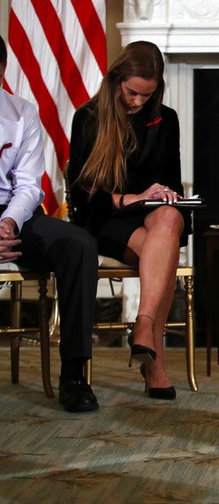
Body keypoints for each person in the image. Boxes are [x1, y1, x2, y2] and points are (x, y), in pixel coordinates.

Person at [69, 41, 191, 400]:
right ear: (117, 79)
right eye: (132, 93)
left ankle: (143, 325)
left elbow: (171, 178)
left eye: (146, 95)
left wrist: (165, 195)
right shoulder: (88, 118)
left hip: (152, 220)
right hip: (106, 218)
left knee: (170, 217)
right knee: (164, 253)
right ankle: (154, 362)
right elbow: (82, 199)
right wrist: (132, 198)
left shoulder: (165, 119)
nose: (137, 102)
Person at [0, 35, 99, 412]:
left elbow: (28, 186)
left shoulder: (22, 112)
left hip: (16, 213)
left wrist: (8, 223)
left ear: (3, 71)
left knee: (79, 244)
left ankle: (74, 375)